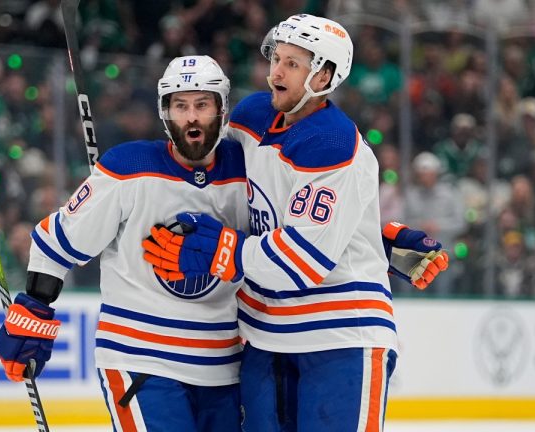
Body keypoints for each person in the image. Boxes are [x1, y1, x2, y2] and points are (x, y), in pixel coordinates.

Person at [143, 14, 449, 431]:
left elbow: (300, 261)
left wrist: (221, 250)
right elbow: (219, 184)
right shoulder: (252, 117)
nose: (275, 73)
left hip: (340, 335)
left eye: (292, 64)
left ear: (322, 77)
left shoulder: (332, 143)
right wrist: (137, 191)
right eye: (276, 59)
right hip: (265, 333)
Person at [0, 55, 248, 431]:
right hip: (142, 362)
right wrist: (34, 306)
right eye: (180, 106)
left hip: (225, 369)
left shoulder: (247, 172)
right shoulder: (129, 168)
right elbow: (57, 240)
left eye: (201, 104)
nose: (191, 117)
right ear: (165, 114)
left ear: (221, 109)